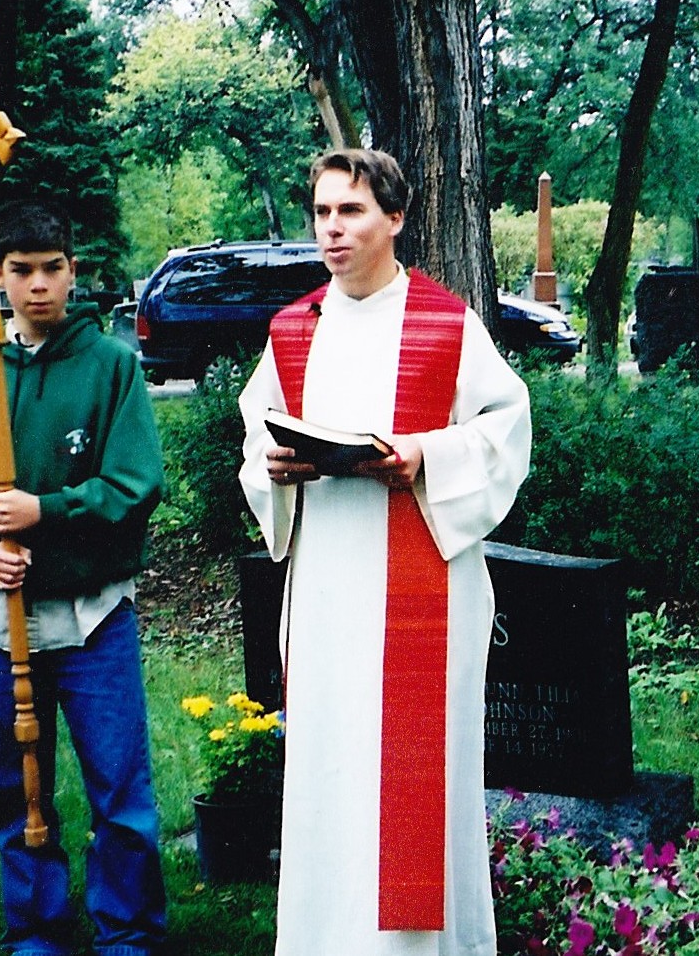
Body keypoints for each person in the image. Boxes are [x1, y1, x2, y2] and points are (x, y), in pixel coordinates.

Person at [237, 149, 531, 955]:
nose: (332, 229)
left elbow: (506, 430)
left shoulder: (443, 324)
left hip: (422, 591)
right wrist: (277, 466)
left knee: (415, 779)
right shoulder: (293, 331)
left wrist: (423, 458)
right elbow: (255, 437)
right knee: (331, 770)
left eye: (352, 212)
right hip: (327, 584)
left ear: (395, 220)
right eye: (323, 212)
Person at [0, 202, 166, 956]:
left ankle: (128, 933)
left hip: (92, 617)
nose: (39, 286)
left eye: (53, 269)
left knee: (119, 786)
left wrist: (42, 510)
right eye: (21, 271)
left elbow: (134, 483)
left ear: (73, 271)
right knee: (12, 786)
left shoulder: (110, 367)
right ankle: (37, 930)